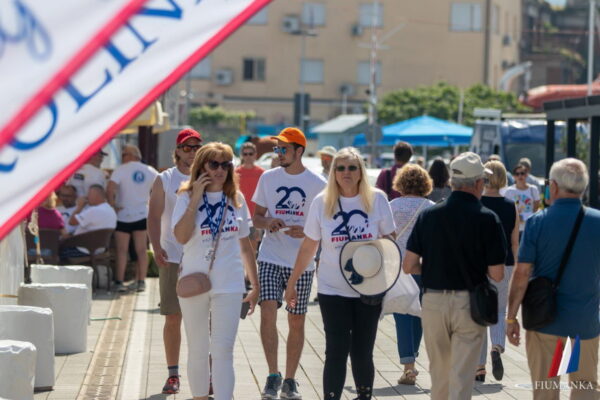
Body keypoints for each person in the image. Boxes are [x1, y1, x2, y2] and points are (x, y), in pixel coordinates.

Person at [284, 147, 396, 400]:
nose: (346, 173)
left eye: (352, 167)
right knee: (336, 349)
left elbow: (390, 240)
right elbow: (308, 246)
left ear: (360, 172)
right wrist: (293, 282)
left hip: (368, 288)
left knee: (362, 350)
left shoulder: (377, 199)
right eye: (340, 168)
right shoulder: (322, 203)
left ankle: (364, 395)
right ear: (333, 172)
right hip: (332, 288)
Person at [403, 152, 506, 399]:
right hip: (469, 303)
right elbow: (498, 274)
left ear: (452, 182)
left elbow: (408, 265)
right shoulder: (488, 219)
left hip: (434, 301)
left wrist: (430, 269)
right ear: (479, 183)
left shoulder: (428, 216)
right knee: (462, 375)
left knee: (439, 373)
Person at [506, 158, 600, 400]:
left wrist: (511, 316)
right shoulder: (597, 222)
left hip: (546, 323)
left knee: (546, 389)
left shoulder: (538, 222)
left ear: (554, 186)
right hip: (584, 323)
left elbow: (522, 273)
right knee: (585, 387)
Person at [172, 142, 259, 400]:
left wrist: (254, 284)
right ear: (201, 166)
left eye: (226, 164)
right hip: (194, 282)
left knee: (223, 350)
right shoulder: (185, 196)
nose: (220, 169)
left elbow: (245, 245)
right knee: (198, 348)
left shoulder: (236, 199)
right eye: (214, 164)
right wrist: (195, 198)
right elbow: (181, 236)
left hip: (230, 284)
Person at [252, 127, 326, 399]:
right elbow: (256, 217)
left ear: (299, 151)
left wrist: (306, 231)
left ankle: (291, 380)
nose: (279, 153)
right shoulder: (267, 178)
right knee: (267, 311)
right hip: (270, 257)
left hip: (302, 263)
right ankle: (273, 375)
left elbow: (324, 225)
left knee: (296, 321)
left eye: (284, 149)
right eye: (277, 149)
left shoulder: (319, 184)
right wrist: (268, 222)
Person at [147, 128, 202, 395]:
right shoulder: (165, 179)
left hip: (201, 257)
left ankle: (205, 373)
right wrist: (155, 246)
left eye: (196, 147)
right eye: (187, 147)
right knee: (173, 317)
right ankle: (173, 374)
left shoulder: (209, 176)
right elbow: (154, 216)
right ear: (177, 150)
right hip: (172, 255)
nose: (192, 152)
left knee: (204, 319)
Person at [389, 164, 435, 385]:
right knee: (419, 315)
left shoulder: (392, 206)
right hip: (424, 267)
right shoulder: (431, 206)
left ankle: (409, 367)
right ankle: (411, 363)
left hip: (398, 269)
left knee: (402, 316)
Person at [475, 161, 519, 383]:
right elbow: (514, 241)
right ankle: (497, 347)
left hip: (480, 264)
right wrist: (516, 265)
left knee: (480, 313)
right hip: (505, 264)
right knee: (500, 310)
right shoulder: (511, 205)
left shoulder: (477, 202)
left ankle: (480, 367)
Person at [107, 145, 158, 292]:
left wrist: (112, 205)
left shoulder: (121, 170)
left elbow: (110, 188)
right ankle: (141, 281)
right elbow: (161, 188)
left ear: (131, 155)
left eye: (124, 154)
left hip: (123, 215)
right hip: (142, 214)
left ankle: (119, 281)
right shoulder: (149, 170)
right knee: (142, 249)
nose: (122, 157)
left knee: (121, 250)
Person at [61, 185, 117, 259]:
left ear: (96, 196)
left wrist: (79, 206)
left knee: (56, 252)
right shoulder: (110, 210)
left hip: (83, 250)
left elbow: (72, 222)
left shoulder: (94, 210)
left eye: (89, 195)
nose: (87, 197)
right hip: (99, 249)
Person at [235, 142, 265, 251]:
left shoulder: (262, 173)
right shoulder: (235, 173)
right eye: (245, 154)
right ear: (241, 155)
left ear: (255, 155)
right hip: (238, 217)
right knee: (238, 253)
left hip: (255, 218)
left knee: (252, 253)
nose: (248, 156)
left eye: (250, 153)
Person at [503, 163, 541, 234]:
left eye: (522, 173)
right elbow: (506, 209)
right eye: (517, 174)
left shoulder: (533, 189)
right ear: (514, 176)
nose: (520, 176)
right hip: (514, 229)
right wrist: (516, 217)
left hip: (530, 228)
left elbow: (536, 209)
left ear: (526, 175)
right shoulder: (509, 191)